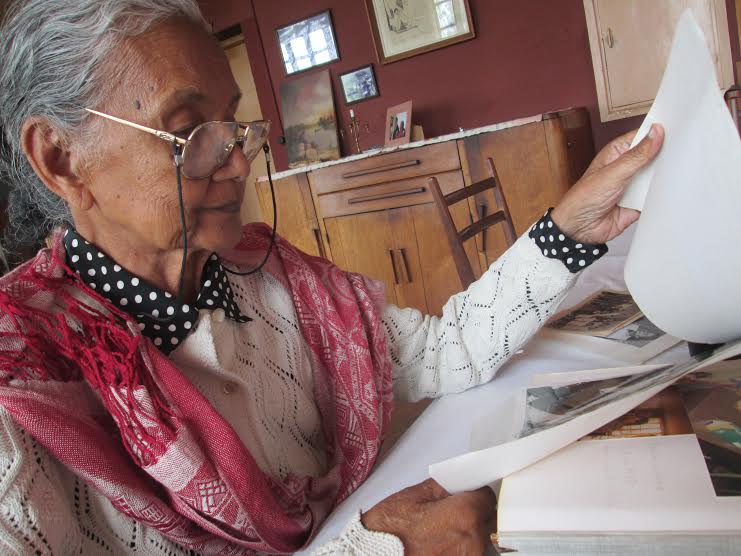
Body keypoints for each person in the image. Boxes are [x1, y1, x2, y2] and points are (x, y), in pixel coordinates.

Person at [0, 0, 663, 554]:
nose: (238, 162)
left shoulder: (272, 280)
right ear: (59, 158)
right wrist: (374, 545)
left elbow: (446, 351)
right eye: (189, 131)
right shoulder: (20, 398)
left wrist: (569, 229)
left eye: (233, 125)